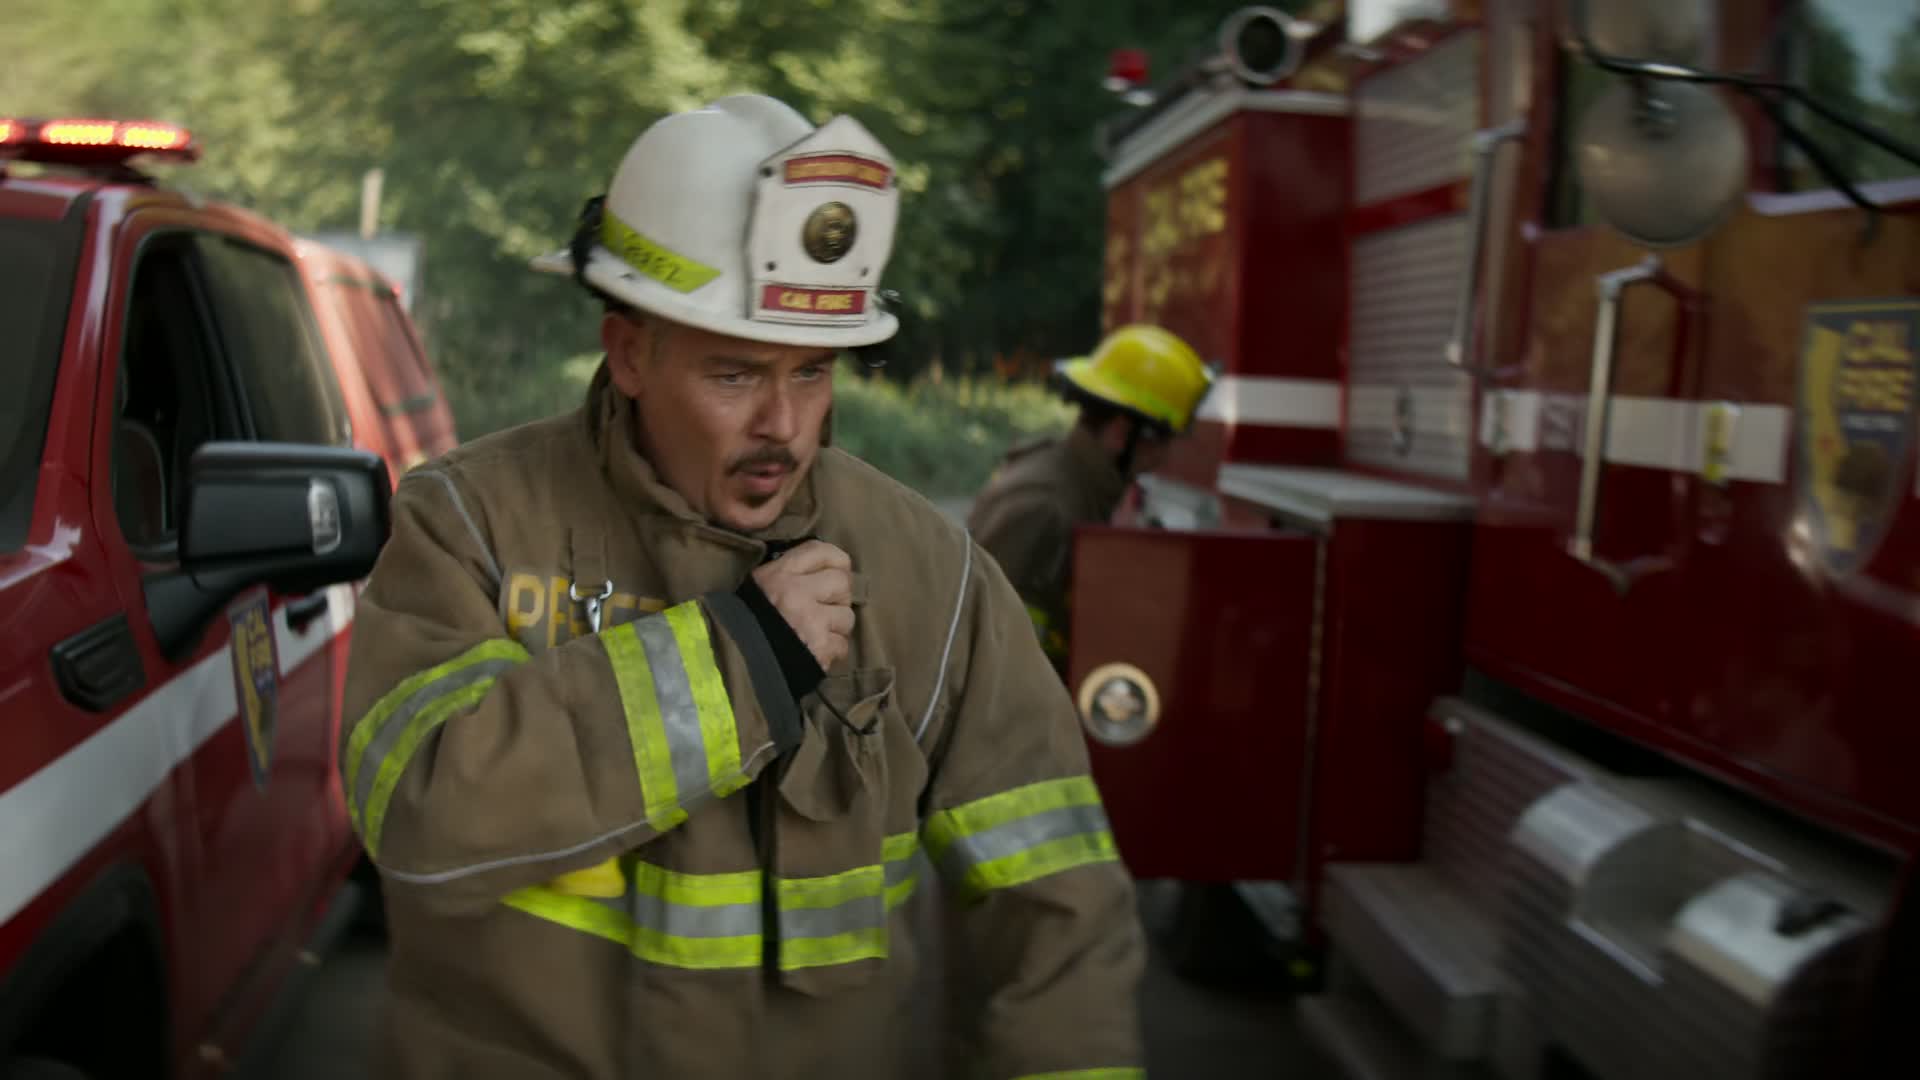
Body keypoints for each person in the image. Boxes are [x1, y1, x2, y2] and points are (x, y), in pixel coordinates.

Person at [337, 94, 1147, 1079]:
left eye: (812, 373)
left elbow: (1057, 913)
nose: (785, 427)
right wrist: (739, 665)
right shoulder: (473, 524)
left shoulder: (930, 574)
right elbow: (416, 814)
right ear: (629, 352)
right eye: (735, 375)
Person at [966, 325, 1212, 673]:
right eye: (1162, 440)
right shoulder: (1045, 506)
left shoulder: (1080, 485)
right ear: (1122, 432)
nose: (1164, 456)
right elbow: (981, 647)